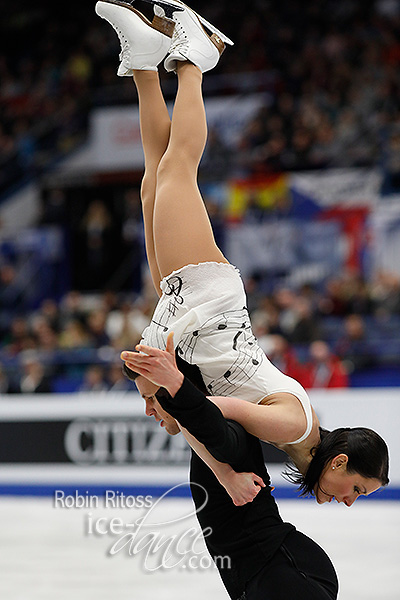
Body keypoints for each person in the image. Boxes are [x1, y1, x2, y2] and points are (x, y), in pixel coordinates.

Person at [95, 0, 389, 505]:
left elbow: (203, 408)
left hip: (195, 318)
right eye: (356, 489)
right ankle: (196, 60)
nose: (348, 499)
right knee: (177, 169)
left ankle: (145, 63)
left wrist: (166, 403)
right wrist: (168, 406)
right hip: (210, 305)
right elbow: (217, 409)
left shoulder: (293, 438)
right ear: (339, 463)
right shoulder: (295, 427)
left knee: (153, 180)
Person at [127, 335, 339, 600]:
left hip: (286, 575)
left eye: (151, 398)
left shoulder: (230, 435)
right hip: (271, 575)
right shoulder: (204, 445)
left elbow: (213, 430)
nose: (148, 410)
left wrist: (176, 385)